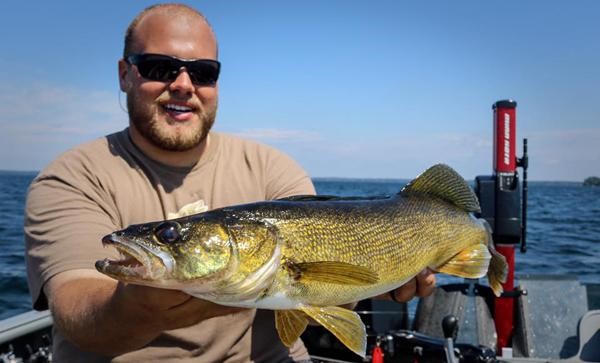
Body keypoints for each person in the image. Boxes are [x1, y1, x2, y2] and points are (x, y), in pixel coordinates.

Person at [24, 3, 436, 362]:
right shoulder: (72, 177)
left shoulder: (274, 168)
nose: (183, 84)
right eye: (159, 68)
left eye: (203, 72)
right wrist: (140, 308)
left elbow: (322, 291)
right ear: (124, 74)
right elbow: (78, 310)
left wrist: (384, 278)